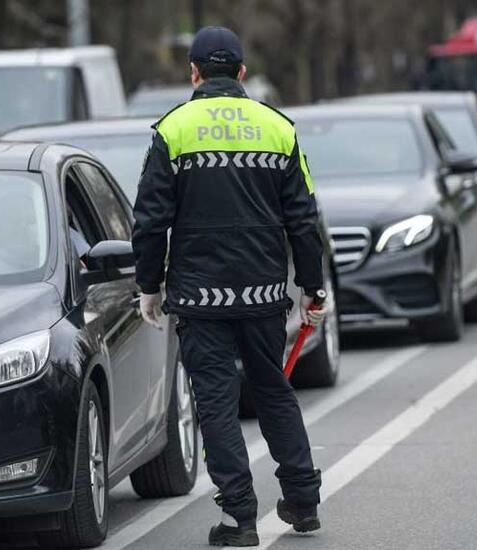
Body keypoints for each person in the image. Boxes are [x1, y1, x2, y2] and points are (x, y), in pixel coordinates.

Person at [132, 26, 326, 547]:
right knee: (273, 391)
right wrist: (313, 289)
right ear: (241, 73)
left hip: (199, 297)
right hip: (264, 295)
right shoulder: (277, 127)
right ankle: (303, 502)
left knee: (215, 404)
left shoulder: (173, 129)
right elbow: (303, 218)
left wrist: (149, 285)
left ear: (193, 73)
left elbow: (149, 221)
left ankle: (240, 518)